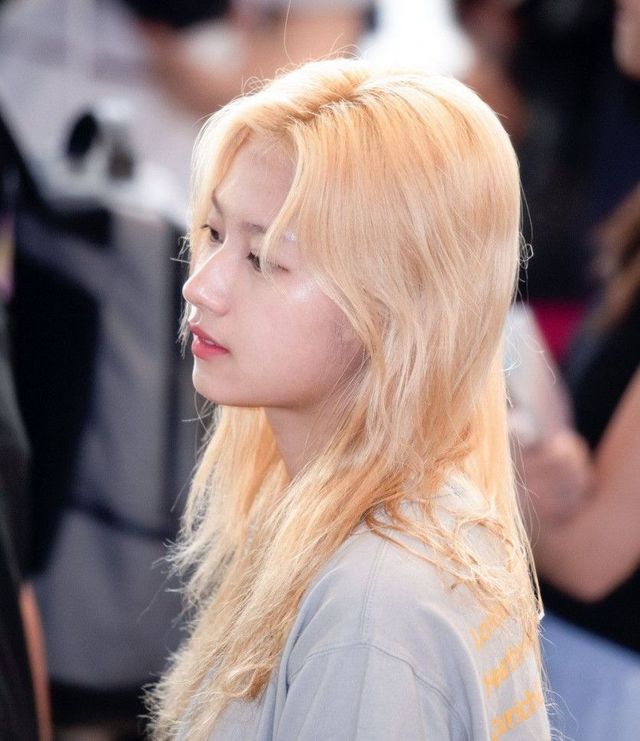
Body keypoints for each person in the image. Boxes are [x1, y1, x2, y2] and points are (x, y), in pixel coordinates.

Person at [147, 58, 551, 740]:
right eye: (214, 233)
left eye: (263, 258)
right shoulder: (392, 530)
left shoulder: (374, 606)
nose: (200, 286)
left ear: (395, 307)